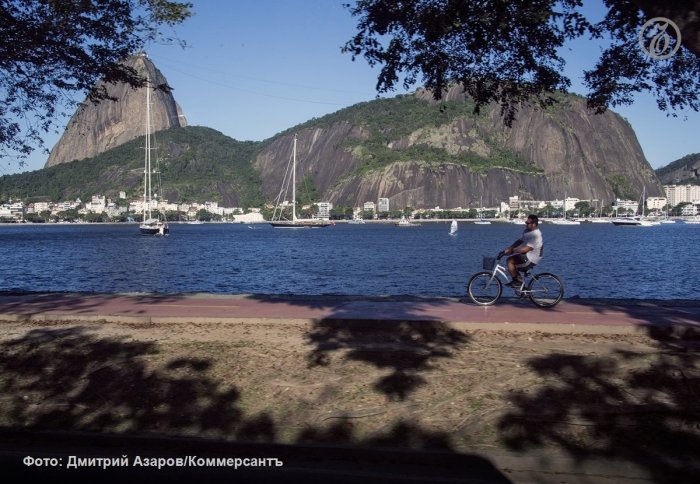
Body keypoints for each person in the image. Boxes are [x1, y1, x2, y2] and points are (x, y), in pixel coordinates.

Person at [502, 214, 543, 287]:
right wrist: (510, 247)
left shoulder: (536, 235)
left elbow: (525, 249)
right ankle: (520, 285)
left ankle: (517, 281)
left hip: (531, 258)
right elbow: (520, 241)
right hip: (527, 255)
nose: (526, 224)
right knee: (512, 263)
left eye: (528, 223)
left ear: (533, 224)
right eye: (526, 222)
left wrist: (512, 251)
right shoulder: (527, 231)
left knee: (510, 261)